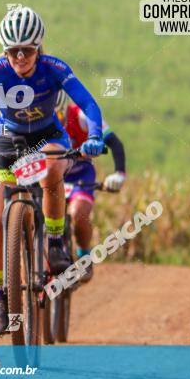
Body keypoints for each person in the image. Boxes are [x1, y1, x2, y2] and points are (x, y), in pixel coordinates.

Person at [0, 6, 104, 335]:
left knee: (53, 165)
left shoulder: (55, 68)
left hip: (48, 137)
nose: (21, 57)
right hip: (8, 142)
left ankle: (55, 242)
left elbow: (89, 104)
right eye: (13, 51)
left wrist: (95, 136)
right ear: (5, 51)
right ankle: (0, 299)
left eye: (27, 50)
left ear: (38, 48)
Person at [56, 94, 127, 284]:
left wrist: (119, 174)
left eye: (58, 117)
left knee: (79, 212)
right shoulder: (35, 118)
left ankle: (83, 254)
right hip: (52, 175)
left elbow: (114, 143)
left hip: (80, 175)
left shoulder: (81, 117)